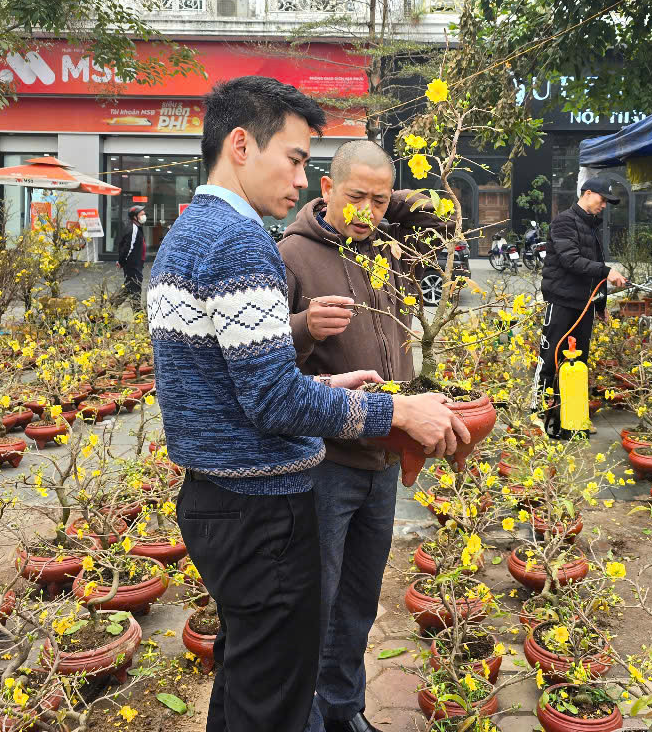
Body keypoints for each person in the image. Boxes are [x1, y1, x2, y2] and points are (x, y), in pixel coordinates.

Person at [148, 76, 470, 732]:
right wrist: (396, 413)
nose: (300, 180)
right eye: (295, 159)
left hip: (219, 496)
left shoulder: (189, 234)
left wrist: (323, 387)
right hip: (261, 512)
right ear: (241, 145)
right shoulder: (243, 245)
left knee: (247, 682)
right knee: (275, 702)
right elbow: (270, 398)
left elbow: (235, 385)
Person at [279, 140, 449, 732]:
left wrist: (389, 201)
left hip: (384, 455)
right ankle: (306, 717)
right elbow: (263, 367)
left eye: (379, 201)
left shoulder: (391, 246)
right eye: (355, 197)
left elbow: (442, 221)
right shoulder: (292, 255)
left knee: (359, 599)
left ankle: (344, 708)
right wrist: (304, 327)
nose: (367, 212)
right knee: (316, 601)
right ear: (325, 187)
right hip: (325, 461)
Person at [536, 176, 627, 438]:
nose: (604, 205)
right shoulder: (564, 221)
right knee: (550, 359)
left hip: (584, 306)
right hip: (562, 302)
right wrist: (607, 271)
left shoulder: (591, 226)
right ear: (587, 193)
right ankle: (537, 415)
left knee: (577, 363)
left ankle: (571, 418)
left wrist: (600, 304)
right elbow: (571, 260)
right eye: (602, 199)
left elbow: (593, 272)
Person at [115, 205, 147, 304]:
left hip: (136, 263)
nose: (144, 216)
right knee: (135, 286)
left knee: (129, 286)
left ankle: (111, 306)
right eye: (141, 214)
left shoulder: (137, 227)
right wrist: (121, 262)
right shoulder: (133, 228)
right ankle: (137, 311)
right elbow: (128, 247)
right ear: (135, 217)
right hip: (133, 264)